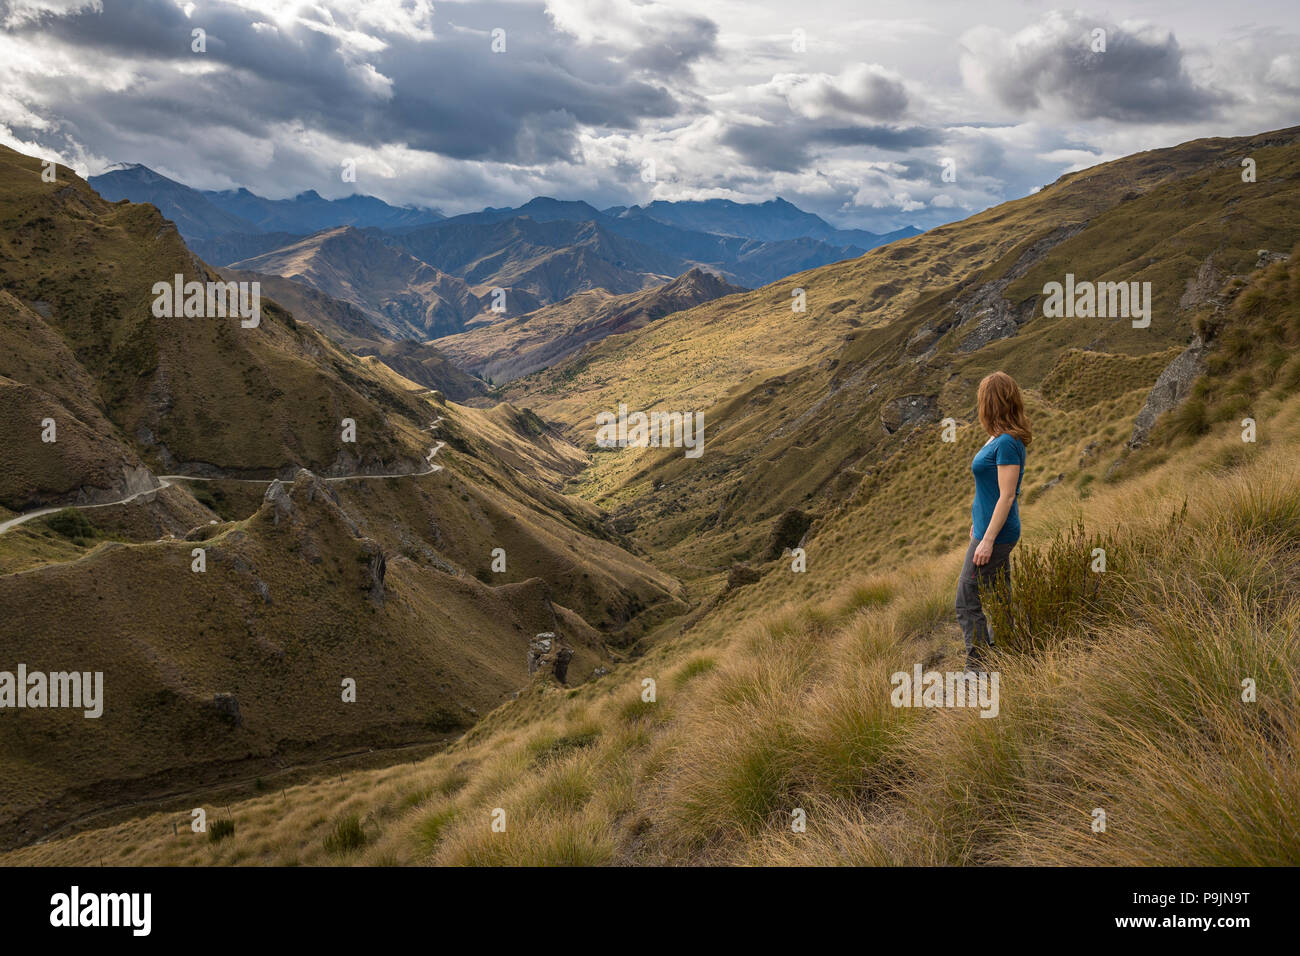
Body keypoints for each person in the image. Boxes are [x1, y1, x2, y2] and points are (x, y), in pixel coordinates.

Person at [956, 371, 1030, 671]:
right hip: (987, 529)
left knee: (966, 597)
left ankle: (978, 667)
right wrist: (978, 524)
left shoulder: (1007, 444)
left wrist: (986, 540)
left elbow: (1007, 496)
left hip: (996, 535)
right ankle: (1011, 651)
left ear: (991, 404)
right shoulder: (997, 439)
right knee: (999, 594)